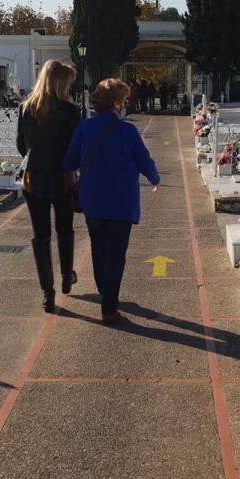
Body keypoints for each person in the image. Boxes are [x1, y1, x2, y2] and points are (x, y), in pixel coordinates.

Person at [63, 78, 160, 323]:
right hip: (121, 200)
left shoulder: (85, 128)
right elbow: (143, 159)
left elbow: (70, 161)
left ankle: (104, 291)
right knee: (116, 253)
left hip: (92, 198)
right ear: (116, 103)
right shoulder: (127, 131)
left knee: (98, 246)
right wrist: (154, 178)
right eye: (125, 100)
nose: (125, 104)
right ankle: (109, 307)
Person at [17, 60, 81, 314]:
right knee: (64, 230)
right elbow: (75, 147)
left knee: (40, 236)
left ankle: (48, 292)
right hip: (62, 177)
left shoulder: (26, 109)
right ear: (61, 82)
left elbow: (21, 146)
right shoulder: (70, 110)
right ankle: (67, 275)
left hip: (34, 178)